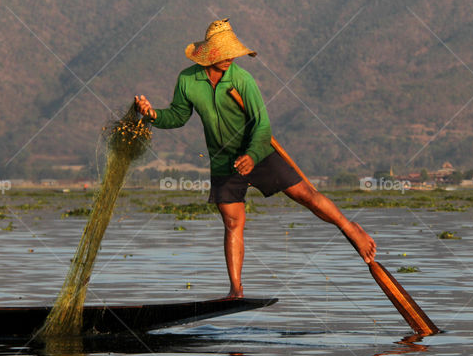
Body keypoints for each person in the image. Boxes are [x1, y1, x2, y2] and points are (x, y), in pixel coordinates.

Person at [135, 18, 376, 299]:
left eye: (232, 53)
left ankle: (351, 228)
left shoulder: (242, 80)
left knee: (305, 195)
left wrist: (252, 155)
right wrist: (152, 115)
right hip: (223, 159)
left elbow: (262, 127)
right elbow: (177, 116)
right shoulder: (188, 80)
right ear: (209, 53)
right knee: (233, 223)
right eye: (223, 53)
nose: (229, 58)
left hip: (257, 151)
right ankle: (235, 289)